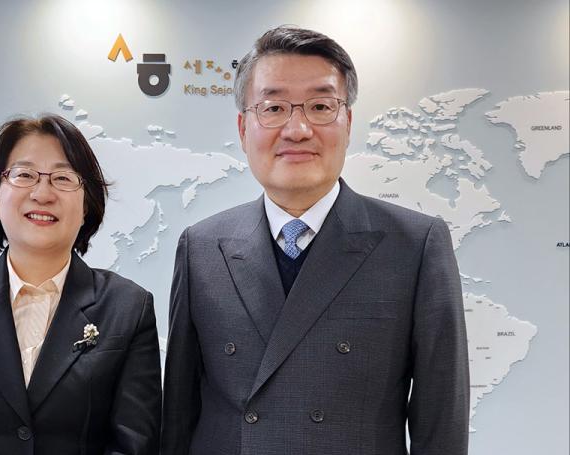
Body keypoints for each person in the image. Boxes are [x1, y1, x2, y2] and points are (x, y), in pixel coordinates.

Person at [161, 26, 469, 454]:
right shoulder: (201, 247)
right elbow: (178, 417)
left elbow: (441, 424)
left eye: (321, 106)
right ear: (243, 128)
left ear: (348, 123)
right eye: (273, 108)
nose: (298, 129)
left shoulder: (415, 245)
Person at [0, 114, 161, 454]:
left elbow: (134, 444)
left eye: (63, 178)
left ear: (86, 206)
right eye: (24, 175)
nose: (42, 193)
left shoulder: (128, 307)